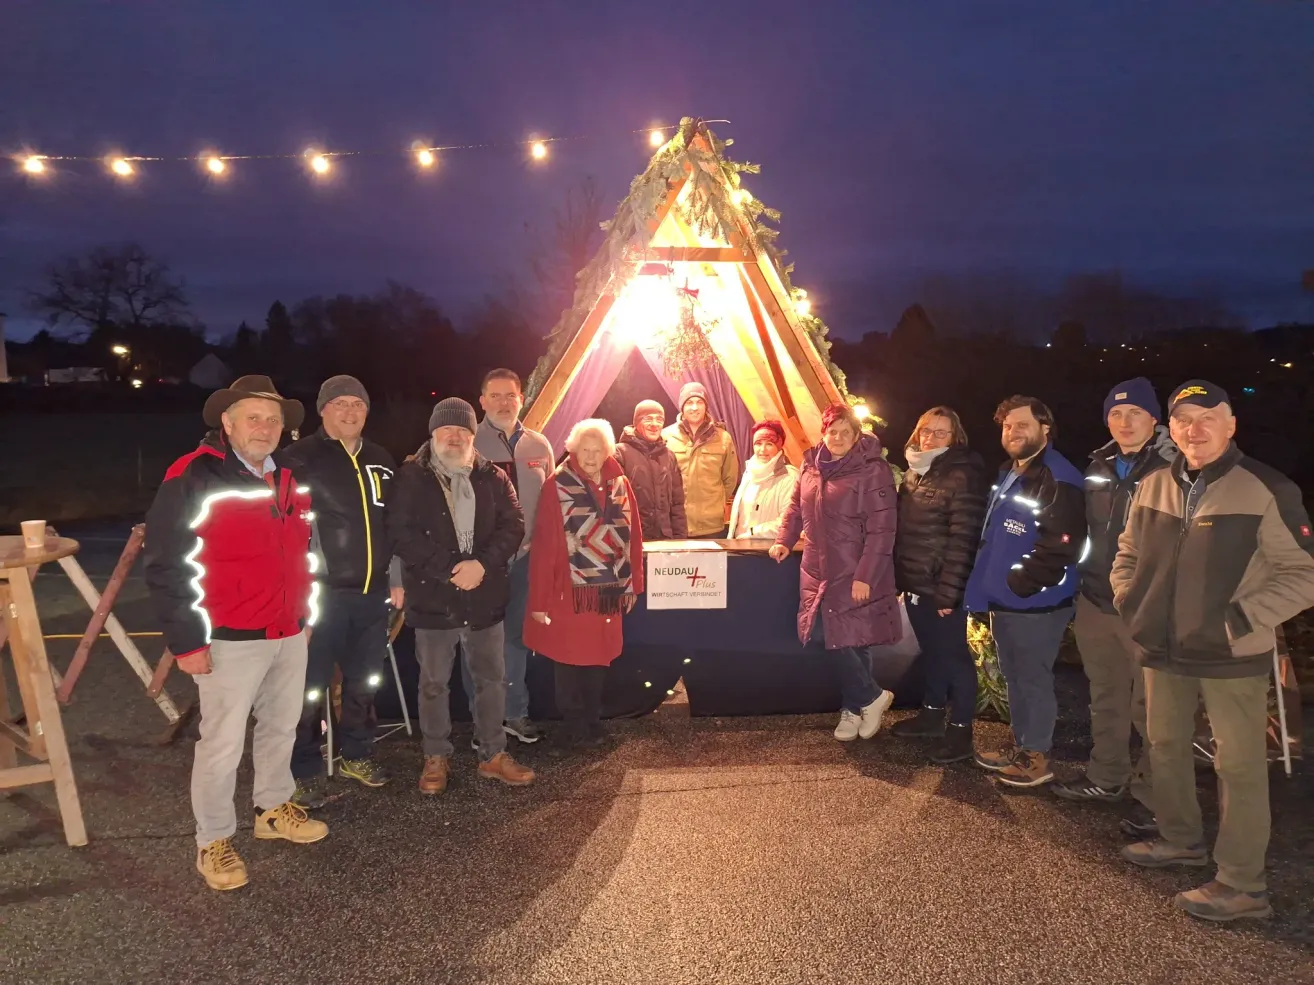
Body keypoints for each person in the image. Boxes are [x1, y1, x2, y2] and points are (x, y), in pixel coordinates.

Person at [1112, 380, 1314, 922]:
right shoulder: (1154, 483)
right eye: (1183, 421)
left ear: (1230, 425)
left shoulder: (1266, 488)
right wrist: (1131, 601)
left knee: (1240, 766)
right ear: (1170, 429)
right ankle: (1180, 839)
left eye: (1207, 418)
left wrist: (1240, 621)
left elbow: (1302, 574)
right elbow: (1127, 551)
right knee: (1164, 745)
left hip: (1231, 655)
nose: (1193, 430)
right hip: (1160, 645)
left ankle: (1243, 885)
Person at [144, 374, 327, 892]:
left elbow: (305, 551)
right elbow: (166, 564)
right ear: (227, 422)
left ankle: (272, 809)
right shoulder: (193, 475)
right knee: (221, 744)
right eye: (254, 417)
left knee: (281, 728)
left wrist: (305, 616)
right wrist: (188, 642)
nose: (265, 427)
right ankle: (214, 840)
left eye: (273, 420)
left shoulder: (291, 475)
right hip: (226, 637)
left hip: (287, 632)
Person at [385, 397, 534, 793]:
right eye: (446, 429)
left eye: (462, 430)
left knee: (491, 680)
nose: (454, 436)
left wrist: (481, 565)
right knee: (433, 683)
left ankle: (493, 754)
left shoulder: (493, 477)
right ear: (432, 434)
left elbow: (513, 524)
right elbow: (401, 532)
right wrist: (452, 570)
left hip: (484, 597)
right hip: (433, 599)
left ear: (472, 435)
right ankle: (436, 756)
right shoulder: (411, 476)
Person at [1053, 379, 1174, 830]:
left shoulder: (1174, 466)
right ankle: (1107, 777)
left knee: (1153, 710)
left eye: (1136, 414)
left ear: (1154, 418)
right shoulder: (1097, 465)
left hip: (1147, 607)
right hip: (1096, 601)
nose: (1125, 422)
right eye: (1117, 414)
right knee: (1105, 697)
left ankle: (1156, 798)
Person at [278, 375, 397, 809]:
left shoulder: (381, 460)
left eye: (358, 405)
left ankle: (357, 754)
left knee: (365, 681)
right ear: (323, 409)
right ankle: (302, 767)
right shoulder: (298, 459)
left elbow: (394, 525)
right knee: (307, 688)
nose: (350, 412)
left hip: (371, 594)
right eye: (340, 403)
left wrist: (395, 578)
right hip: (318, 597)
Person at [964, 395, 1085, 788]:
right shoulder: (1010, 471)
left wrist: (1021, 583)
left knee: (1032, 677)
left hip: (1036, 602)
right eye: (1007, 426)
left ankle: (1037, 756)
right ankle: (1022, 745)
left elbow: (1063, 543)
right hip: (1006, 599)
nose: (1013, 432)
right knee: (1015, 675)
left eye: (1022, 425)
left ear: (1045, 429)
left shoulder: (1058, 477)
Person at [770, 404, 899, 742]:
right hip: (817, 565)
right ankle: (865, 700)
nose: (838, 437)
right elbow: (796, 506)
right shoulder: (810, 464)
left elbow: (883, 528)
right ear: (823, 433)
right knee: (834, 636)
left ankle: (861, 702)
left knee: (847, 637)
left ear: (857, 436)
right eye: (832, 431)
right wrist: (784, 539)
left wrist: (866, 575)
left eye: (846, 432)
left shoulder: (873, 470)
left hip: (854, 568)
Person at [526, 419, 644, 750]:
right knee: (568, 660)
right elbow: (545, 543)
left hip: (609, 591)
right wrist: (539, 600)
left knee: (598, 659)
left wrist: (633, 584)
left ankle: (593, 721)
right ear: (573, 450)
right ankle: (573, 724)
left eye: (597, 450)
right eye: (584, 450)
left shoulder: (620, 482)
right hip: (569, 591)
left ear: (608, 451)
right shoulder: (557, 484)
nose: (590, 457)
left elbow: (634, 534)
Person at [890, 406, 987, 763]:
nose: (929, 437)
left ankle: (961, 732)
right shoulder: (916, 473)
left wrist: (950, 591)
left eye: (940, 433)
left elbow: (964, 538)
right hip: (917, 583)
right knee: (931, 652)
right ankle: (932, 716)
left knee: (954, 657)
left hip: (942, 588)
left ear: (955, 438)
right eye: (925, 430)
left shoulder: (962, 474)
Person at [468, 368, 555, 746]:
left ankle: (516, 713)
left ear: (523, 399)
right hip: (483, 562)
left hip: (526, 560)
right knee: (479, 643)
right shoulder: (466, 444)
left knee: (518, 639)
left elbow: (551, 502)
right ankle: (482, 722)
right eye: (496, 395)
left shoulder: (540, 446)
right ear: (482, 400)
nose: (504, 402)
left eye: (511, 395)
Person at [662, 382, 739, 537]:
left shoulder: (723, 438)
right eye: (689, 402)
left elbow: (730, 478)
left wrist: (715, 504)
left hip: (711, 527)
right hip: (676, 524)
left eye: (699, 402)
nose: (694, 407)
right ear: (682, 407)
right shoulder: (665, 437)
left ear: (706, 406)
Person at [615, 398, 688, 540]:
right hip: (633, 539)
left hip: (664, 540)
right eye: (648, 419)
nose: (655, 424)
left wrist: (680, 540)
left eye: (659, 419)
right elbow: (615, 503)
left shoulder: (669, 456)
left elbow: (677, 504)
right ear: (636, 422)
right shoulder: (620, 453)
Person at [728, 419, 799, 541]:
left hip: (769, 553)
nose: (762, 450)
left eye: (769, 444)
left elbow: (789, 521)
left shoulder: (789, 477)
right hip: (740, 548)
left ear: (779, 446)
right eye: (758, 443)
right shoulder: (749, 472)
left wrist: (753, 533)